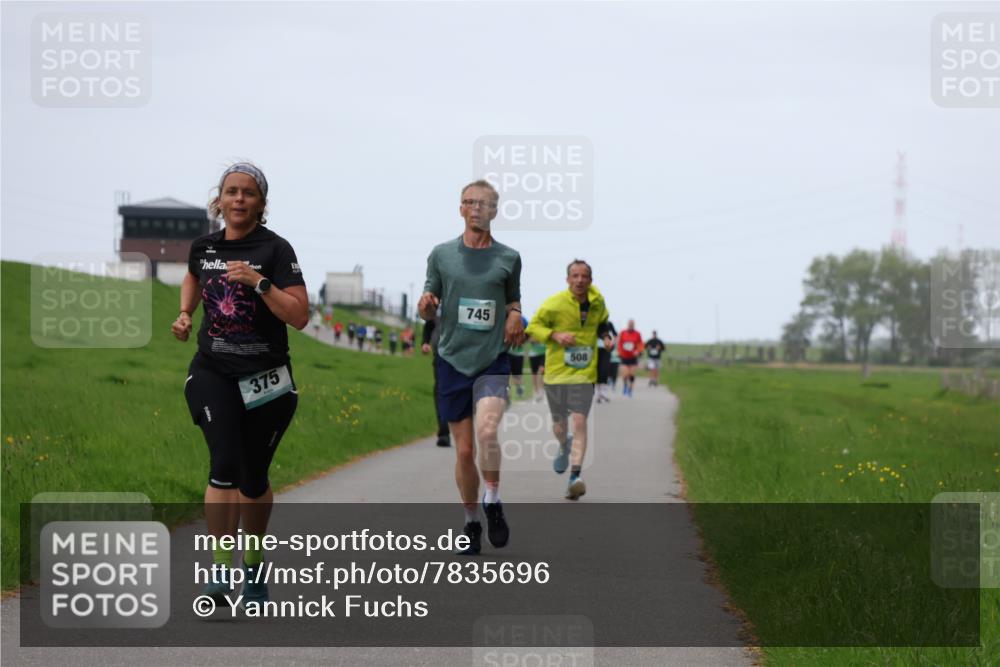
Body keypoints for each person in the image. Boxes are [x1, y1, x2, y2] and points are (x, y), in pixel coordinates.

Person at [171, 162, 308, 608]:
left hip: (266, 380)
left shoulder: (275, 249)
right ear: (220, 199)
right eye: (231, 191)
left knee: (253, 479)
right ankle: (220, 568)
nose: (239, 199)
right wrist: (187, 313)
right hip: (213, 371)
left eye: (248, 193)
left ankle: (254, 562)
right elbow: (193, 274)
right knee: (224, 462)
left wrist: (259, 281)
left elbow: (300, 316)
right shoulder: (204, 247)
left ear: (260, 203)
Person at [418, 179, 524, 555]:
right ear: (460, 209)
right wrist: (427, 306)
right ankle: (470, 522)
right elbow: (428, 303)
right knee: (464, 452)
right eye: (468, 202)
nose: (475, 208)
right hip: (451, 358)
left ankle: (492, 500)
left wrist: (516, 317)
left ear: (495, 210)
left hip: (492, 358)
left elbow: (512, 301)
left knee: (487, 429)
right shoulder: (442, 255)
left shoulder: (508, 258)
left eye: (483, 203)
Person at [526, 259, 612, 501]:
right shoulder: (554, 303)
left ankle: (575, 476)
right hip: (556, 372)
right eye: (575, 276)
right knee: (560, 426)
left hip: (584, 373)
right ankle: (564, 445)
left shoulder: (597, 302)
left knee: (580, 422)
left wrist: (606, 337)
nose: (579, 280)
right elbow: (534, 326)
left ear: (590, 280)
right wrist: (555, 334)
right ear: (567, 280)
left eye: (584, 276)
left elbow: (603, 323)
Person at [421, 317, 451, 448]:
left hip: (466, 355)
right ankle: (444, 432)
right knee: (440, 392)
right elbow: (429, 322)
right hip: (441, 355)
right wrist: (426, 342)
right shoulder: (438, 299)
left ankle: (466, 430)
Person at [617, 320, 644, 397]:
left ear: (634, 325)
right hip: (624, 357)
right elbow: (619, 343)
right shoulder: (623, 332)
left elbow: (640, 344)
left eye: (632, 324)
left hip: (633, 357)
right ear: (627, 325)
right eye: (629, 324)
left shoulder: (637, 334)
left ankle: (630, 390)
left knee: (632, 374)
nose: (630, 325)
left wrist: (638, 351)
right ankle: (625, 385)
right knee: (625, 373)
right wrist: (619, 352)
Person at [596, 320, 618, 403]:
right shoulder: (593, 322)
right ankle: (598, 393)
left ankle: (603, 392)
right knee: (597, 370)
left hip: (606, 349)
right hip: (595, 349)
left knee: (604, 369)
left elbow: (615, 335)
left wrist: (612, 343)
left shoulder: (609, 324)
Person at [508, 316, 529, 400]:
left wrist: (523, 340)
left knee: (517, 375)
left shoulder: (523, 319)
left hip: (519, 353)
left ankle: (519, 389)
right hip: (507, 352)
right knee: (507, 374)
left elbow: (529, 332)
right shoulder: (506, 317)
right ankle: (507, 393)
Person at [527, 333, 546, 403]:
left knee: (541, 371)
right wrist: (533, 340)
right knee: (534, 374)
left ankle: (541, 390)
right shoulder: (530, 326)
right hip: (533, 354)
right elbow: (528, 340)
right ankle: (536, 391)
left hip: (543, 353)